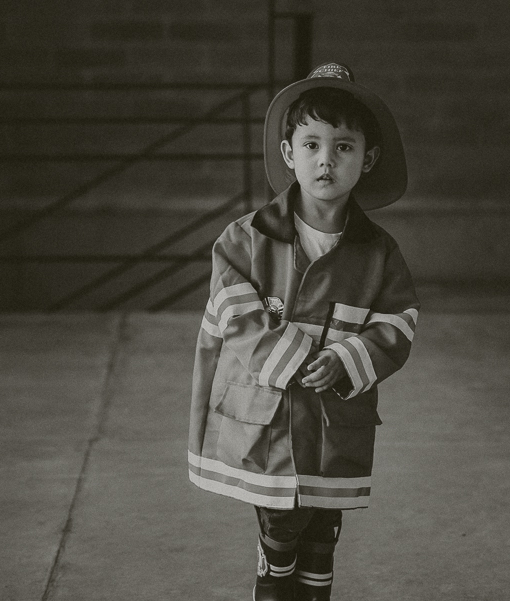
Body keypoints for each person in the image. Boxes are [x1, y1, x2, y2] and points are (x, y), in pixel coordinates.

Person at [187, 61, 420, 601]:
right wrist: (288, 354)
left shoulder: (379, 253)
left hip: (334, 417)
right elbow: (234, 313)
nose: (326, 159)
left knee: (322, 529)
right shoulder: (244, 239)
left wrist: (348, 359)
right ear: (290, 154)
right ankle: (272, 578)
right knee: (280, 524)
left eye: (344, 147)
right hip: (263, 414)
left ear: (368, 159)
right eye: (311, 144)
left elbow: (399, 320)